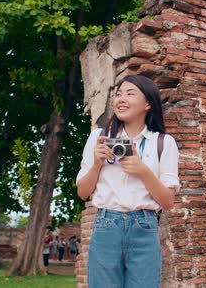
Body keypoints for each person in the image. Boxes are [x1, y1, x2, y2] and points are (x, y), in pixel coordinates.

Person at [76, 75, 180, 287]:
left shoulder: (163, 143)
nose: (121, 99)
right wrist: (97, 164)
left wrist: (143, 171)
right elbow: (82, 192)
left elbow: (168, 201)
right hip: (106, 225)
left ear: (148, 103)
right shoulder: (99, 137)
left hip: (144, 226)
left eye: (130, 93)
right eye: (118, 94)